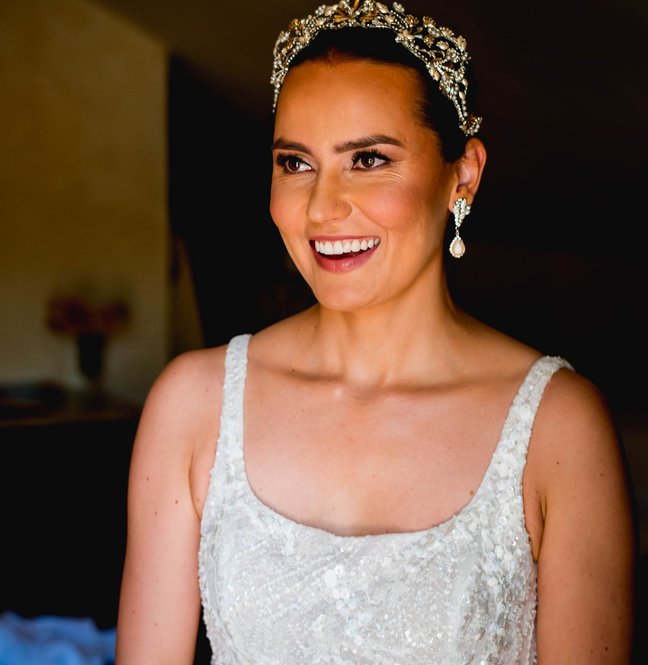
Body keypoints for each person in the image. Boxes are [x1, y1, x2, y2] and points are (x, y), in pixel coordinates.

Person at [116, 1, 636, 663]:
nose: (323, 208)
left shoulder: (558, 428)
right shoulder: (192, 406)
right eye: (296, 163)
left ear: (463, 175)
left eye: (368, 159)